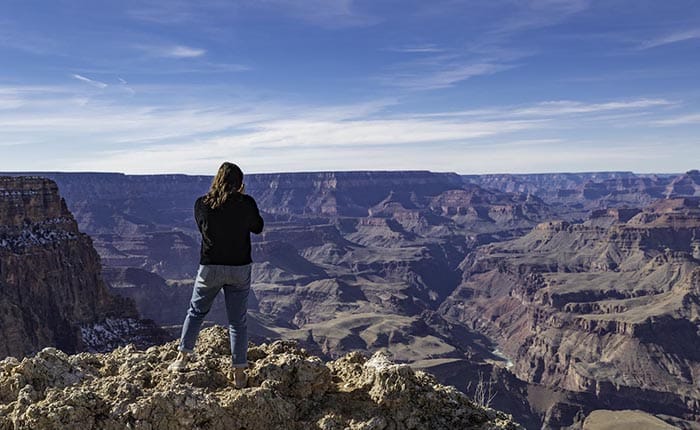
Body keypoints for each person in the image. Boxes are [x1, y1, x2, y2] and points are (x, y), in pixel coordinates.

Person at [167, 162, 264, 389]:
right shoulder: (246, 203)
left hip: (210, 268)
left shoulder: (202, 203)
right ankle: (239, 373)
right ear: (239, 183)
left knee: (196, 312)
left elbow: (204, 228)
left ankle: (182, 359)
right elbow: (258, 227)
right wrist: (242, 201)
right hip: (239, 268)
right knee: (237, 322)